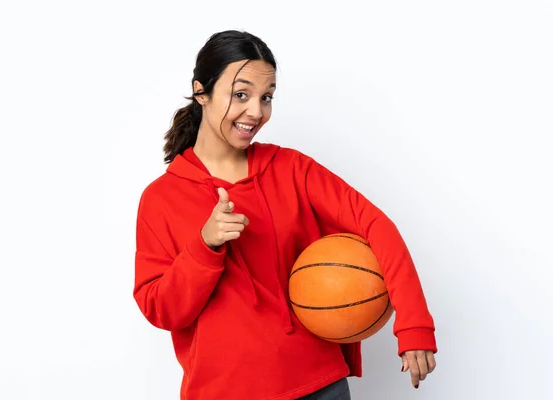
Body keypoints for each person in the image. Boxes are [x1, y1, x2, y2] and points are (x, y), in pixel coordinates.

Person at [133, 30, 437, 400]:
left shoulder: (292, 169)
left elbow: (375, 226)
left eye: (267, 97)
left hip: (320, 385)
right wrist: (205, 246)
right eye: (240, 94)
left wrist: (415, 325)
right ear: (201, 92)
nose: (256, 112)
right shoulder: (161, 198)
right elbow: (161, 310)